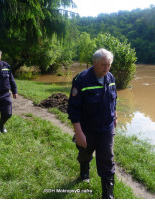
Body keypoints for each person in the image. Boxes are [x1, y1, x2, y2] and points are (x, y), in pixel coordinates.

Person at [68, 48, 117, 199]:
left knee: (107, 159)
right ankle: (84, 169)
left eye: (109, 65)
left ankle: (107, 195)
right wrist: (79, 132)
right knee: (84, 152)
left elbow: (114, 99)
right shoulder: (81, 79)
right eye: (104, 64)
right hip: (87, 128)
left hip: (106, 128)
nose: (107, 68)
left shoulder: (110, 78)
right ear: (94, 62)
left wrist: (115, 115)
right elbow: (73, 109)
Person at [0, 48, 18, 137]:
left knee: (8, 113)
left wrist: (14, 91)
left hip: (4, 94)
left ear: (0, 57)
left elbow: (11, 79)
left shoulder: (6, 66)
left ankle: (1, 125)